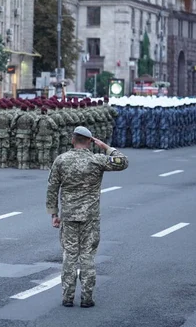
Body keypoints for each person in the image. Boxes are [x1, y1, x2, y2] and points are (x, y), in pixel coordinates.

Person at [46, 126, 129, 308]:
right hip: (90, 216)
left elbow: (52, 188)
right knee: (87, 256)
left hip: (68, 216)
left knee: (69, 255)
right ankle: (87, 297)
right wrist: (106, 147)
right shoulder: (96, 160)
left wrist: (54, 214)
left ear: (73, 140)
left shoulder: (61, 160)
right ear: (90, 142)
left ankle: (67, 297)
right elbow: (122, 162)